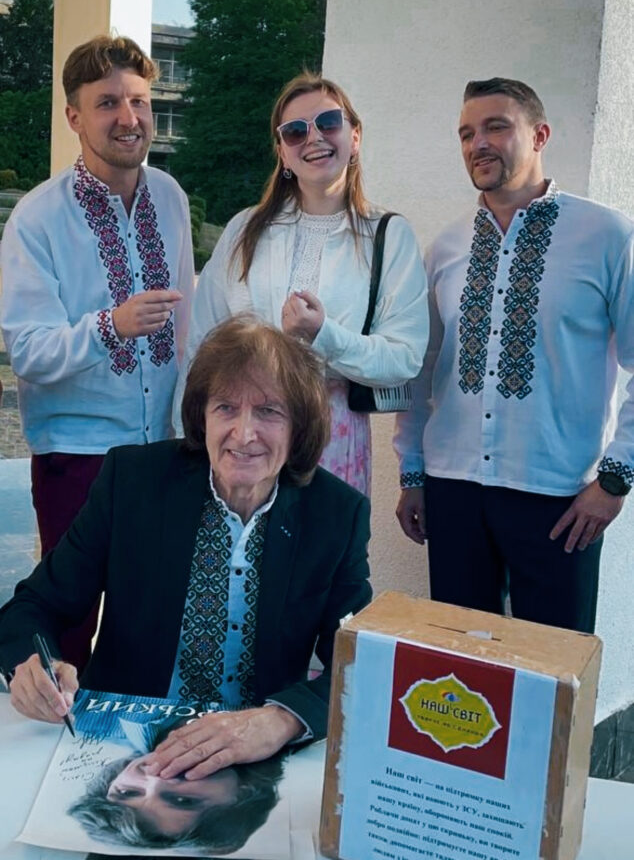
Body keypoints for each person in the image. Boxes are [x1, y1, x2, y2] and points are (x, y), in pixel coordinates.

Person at [0, 316, 372, 775]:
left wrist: (282, 720)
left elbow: (359, 662)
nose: (244, 434)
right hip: (121, 746)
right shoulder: (133, 482)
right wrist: (31, 663)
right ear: (202, 415)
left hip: (252, 759)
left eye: (269, 411)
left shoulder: (336, 514)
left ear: (300, 426)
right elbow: (34, 605)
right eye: (226, 408)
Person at [394, 77, 634, 634]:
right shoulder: (446, 248)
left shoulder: (607, 236)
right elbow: (422, 369)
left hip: (560, 499)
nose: (478, 143)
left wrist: (615, 480)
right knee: (459, 661)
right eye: (466, 133)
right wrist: (412, 471)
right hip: (453, 490)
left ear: (540, 135)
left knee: (552, 664)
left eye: (496, 127)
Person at [0, 35, 194, 670]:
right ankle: (58, 734)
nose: (128, 117)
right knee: (67, 630)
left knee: (152, 627)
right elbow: (29, 352)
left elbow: (187, 326)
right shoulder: (37, 219)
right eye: (107, 102)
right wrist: (112, 326)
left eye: (139, 100)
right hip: (76, 457)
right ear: (74, 117)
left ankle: (138, 737)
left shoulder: (171, 198)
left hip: (161, 454)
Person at [174, 72, 427, 496]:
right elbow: (201, 348)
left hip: (333, 441)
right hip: (241, 438)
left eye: (328, 122)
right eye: (295, 131)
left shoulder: (388, 235)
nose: (314, 138)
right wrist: (188, 444)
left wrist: (323, 335)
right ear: (282, 152)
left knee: (322, 541)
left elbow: (404, 359)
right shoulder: (244, 230)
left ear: (355, 136)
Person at [67, 706, 285, 850]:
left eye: (126, 792)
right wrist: (287, 717)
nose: (156, 779)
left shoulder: (100, 720)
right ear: (244, 794)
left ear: (113, 779)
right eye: (183, 800)